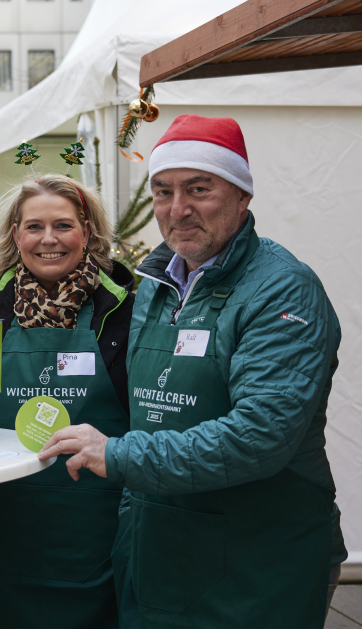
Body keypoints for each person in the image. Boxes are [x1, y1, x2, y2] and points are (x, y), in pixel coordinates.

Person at [40, 114, 346, 629]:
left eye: (198, 189)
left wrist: (117, 454)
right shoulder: (156, 287)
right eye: (162, 192)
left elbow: (260, 436)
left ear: (242, 196)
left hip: (257, 562)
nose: (177, 210)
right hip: (160, 551)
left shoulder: (281, 290)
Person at [0, 174, 134, 628]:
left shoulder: (125, 311)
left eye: (63, 225)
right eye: (34, 226)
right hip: (2, 535)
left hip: (96, 535)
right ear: (16, 235)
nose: (48, 239)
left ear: (87, 232)